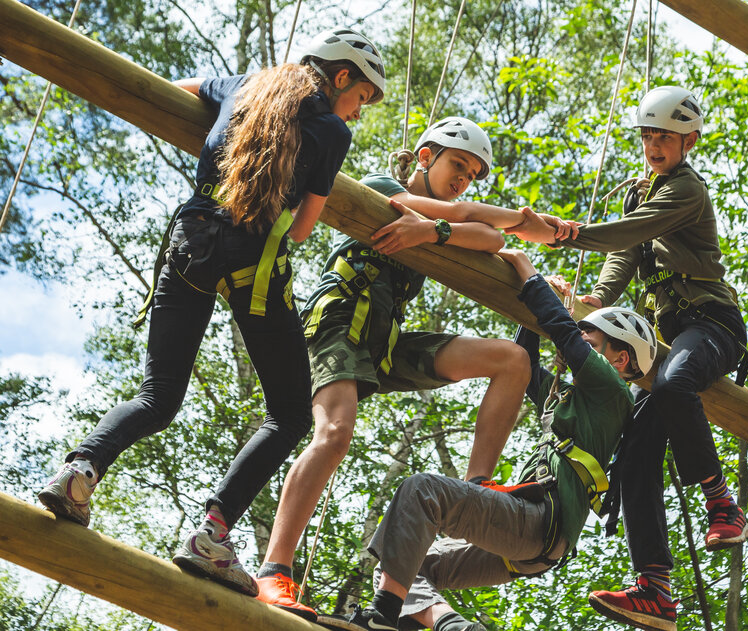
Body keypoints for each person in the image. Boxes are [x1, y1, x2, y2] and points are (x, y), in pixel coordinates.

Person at [36, 27, 387, 597]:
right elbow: (300, 229)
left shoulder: (248, 84)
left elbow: (181, 90)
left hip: (189, 243)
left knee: (159, 395)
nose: (360, 110)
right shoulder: (330, 129)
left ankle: (78, 474)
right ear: (341, 77)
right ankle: (212, 534)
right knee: (292, 414)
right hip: (252, 263)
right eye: (362, 97)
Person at [254, 118, 579, 620]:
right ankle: (275, 570)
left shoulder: (436, 216)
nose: (462, 179)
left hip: (384, 341)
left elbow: (488, 238)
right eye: (457, 165)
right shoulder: (382, 189)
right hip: (341, 318)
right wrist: (508, 223)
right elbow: (473, 222)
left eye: (471, 173)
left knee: (511, 360)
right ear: (425, 157)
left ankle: (478, 483)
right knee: (336, 433)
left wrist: (437, 230)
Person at [510, 85, 748, 631]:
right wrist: (592, 299)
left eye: (664, 136)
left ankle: (721, 502)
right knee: (636, 454)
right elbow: (624, 258)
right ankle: (656, 590)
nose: (653, 144)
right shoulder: (640, 191)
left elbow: (631, 232)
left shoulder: (686, 189)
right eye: (647, 135)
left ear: (688, 140)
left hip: (711, 324)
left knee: (670, 386)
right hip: (669, 336)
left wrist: (562, 232)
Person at [330, 247, 656, 631]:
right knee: (400, 556)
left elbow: (561, 330)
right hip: (534, 541)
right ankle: (453, 626)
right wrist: (531, 308)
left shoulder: (611, 391)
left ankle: (382, 619)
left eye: (592, 336)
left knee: (421, 492)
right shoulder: (577, 402)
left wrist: (526, 270)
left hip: (538, 522)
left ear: (619, 359)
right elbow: (523, 363)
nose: (581, 338)